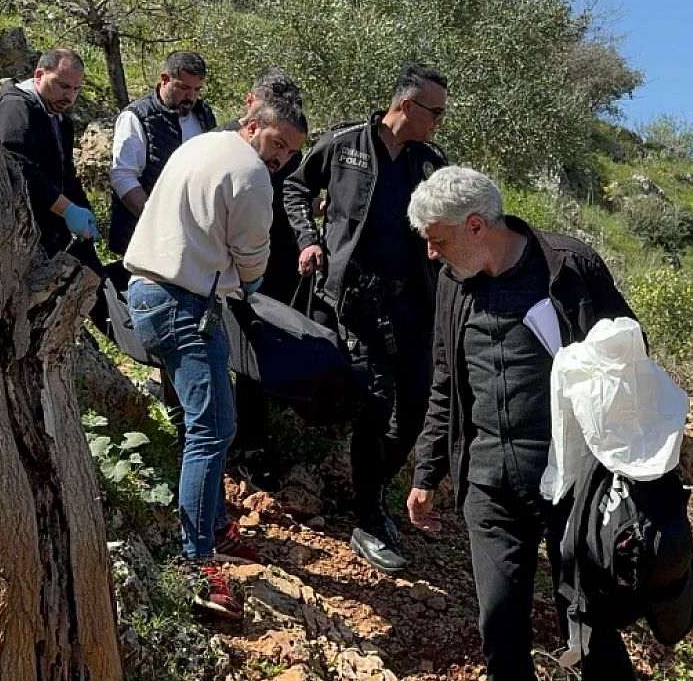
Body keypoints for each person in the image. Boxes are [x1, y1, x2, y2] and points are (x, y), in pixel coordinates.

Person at [405, 166, 640, 681]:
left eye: (439, 241)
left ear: (476, 227)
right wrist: (427, 472)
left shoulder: (568, 267)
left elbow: (630, 357)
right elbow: (446, 379)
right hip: (487, 483)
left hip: (571, 484)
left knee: (589, 619)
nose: (432, 254)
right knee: (499, 625)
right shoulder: (450, 283)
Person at [124, 96, 307, 619]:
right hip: (185, 303)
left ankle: (217, 528)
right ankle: (196, 561)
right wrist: (250, 287)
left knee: (198, 425)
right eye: (278, 144)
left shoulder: (199, 145)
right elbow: (252, 254)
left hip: (148, 291)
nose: (281, 159)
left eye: (290, 152)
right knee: (213, 429)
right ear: (253, 126)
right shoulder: (249, 172)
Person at [283, 63, 449, 574]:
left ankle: (373, 488)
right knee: (377, 404)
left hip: (414, 305)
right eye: (434, 112)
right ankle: (367, 516)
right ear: (406, 106)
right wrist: (309, 240)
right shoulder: (345, 143)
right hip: (355, 301)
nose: (439, 122)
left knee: (417, 407)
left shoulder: (431, 161)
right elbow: (295, 188)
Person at [217, 67, 305, 492]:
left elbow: (297, 198)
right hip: (229, 265)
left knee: (258, 356)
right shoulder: (221, 145)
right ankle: (218, 438)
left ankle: (253, 444)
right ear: (252, 107)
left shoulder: (293, 155)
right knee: (222, 350)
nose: (281, 154)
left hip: (278, 264)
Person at [0, 48, 103, 274]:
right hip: (14, 233)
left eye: (76, 89)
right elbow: (16, 166)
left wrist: (83, 211)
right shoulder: (16, 107)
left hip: (48, 233)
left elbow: (66, 175)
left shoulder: (61, 121)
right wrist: (67, 209)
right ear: (39, 75)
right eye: (63, 86)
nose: (69, 97)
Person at [107, 50, 217, 257]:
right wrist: (155, 221)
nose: (191, 97)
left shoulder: (203, 115)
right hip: (141, 236)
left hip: (190, 238)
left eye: (197, 89)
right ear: (165, 79)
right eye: (184, 88)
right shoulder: (136, 117)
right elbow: (123, 176)